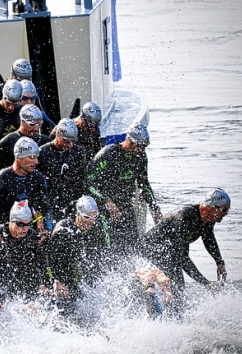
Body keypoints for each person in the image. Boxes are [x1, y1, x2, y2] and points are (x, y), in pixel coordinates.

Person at [141, 188, 230, 304]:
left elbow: (209, 238)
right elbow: (182, 257)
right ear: (211, 207)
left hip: (169, 253)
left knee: (179, 289)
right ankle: (160, 308)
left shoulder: (208, 219)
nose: (226, 214)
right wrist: (206, 283)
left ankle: (173, 315)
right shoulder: (184, 216)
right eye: (224, 210)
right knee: (176, 287)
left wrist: (219, 262)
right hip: (150, 250)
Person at [87, 123, 161, 252]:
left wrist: (154, 206)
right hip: (104, 207)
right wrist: (106, 201)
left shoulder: (140, 157)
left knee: (133, 245)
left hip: (125, 205)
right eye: (141, 147)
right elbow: (88, 182)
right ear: (131, 142)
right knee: (109, 246)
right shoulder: (109, 153)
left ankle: (133, 270)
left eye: (145, 147)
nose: (143, 150)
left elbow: (144, 183)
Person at [0, 201, 56, 300]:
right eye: (20, 224)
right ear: (11, 221)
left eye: (28, 224)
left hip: (14, 277)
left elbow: (36, 264)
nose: (24, 229)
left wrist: (41, 285)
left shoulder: (31, 236)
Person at [43, 196, 110, 303]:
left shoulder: (96, 229)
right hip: (61, 274)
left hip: (80, 274)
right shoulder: (63, 230)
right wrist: (54, 280)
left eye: (95, 217)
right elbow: (46, 259)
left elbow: (103, 254)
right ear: (78, 214)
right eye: (87, 217)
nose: (92, 221)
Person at [0, 137, 52, 238]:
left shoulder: (38, 177)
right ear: (19, 158)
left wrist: (47, 229)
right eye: (32, 157)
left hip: (27, 232)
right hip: (6, 230)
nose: (36, 162)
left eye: (36, 158)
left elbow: (47, 208)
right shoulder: (2, 177)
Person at [38, 118, 88, 219]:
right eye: (66, 141)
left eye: (73, 141)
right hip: (49, 203)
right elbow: (36, 183)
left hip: (70, 201)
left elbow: (82, 180)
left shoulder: (78, 152)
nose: (70, 145)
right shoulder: (42, 153)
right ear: (58, 135)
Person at [0, 103, 50, 176]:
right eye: (32, 124)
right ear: (22, 122)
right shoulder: (7, 142)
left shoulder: (43, 140)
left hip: (37, 185)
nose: (36, 129)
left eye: (39, 125)